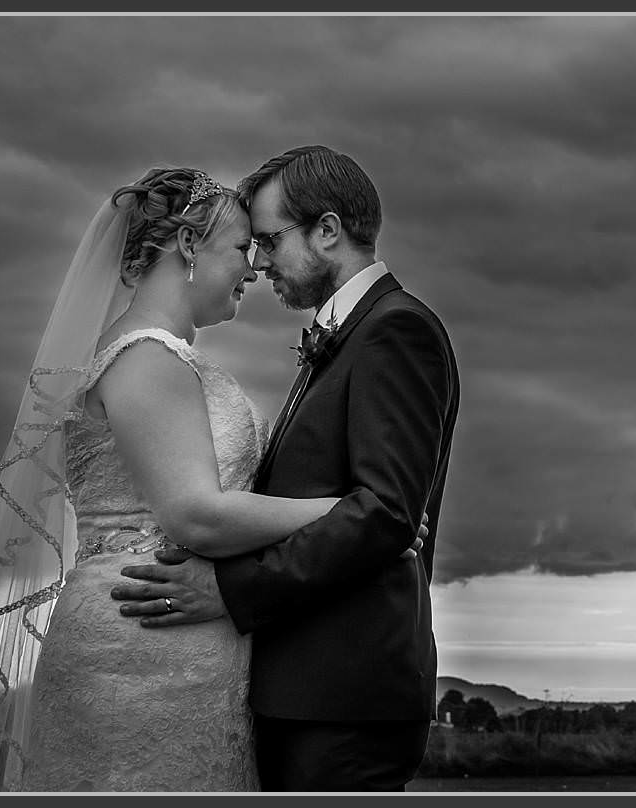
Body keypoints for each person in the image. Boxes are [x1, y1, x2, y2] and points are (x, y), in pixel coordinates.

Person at [0, 166, 418, 791]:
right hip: (145, 646)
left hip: (175, 639)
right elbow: (195, 514)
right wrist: (349, 511)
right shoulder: (148, 357)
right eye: (240, 248)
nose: (253, 268)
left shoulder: (156, 354)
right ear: (189, 246)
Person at [108, 145, 462, 792]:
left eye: (270, 240)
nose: (258, 260)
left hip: (344, 700)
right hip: (302, 692)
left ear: (327, 230)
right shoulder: (344, 338)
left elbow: (384, 515)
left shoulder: (395, 332)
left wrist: (232, 591)